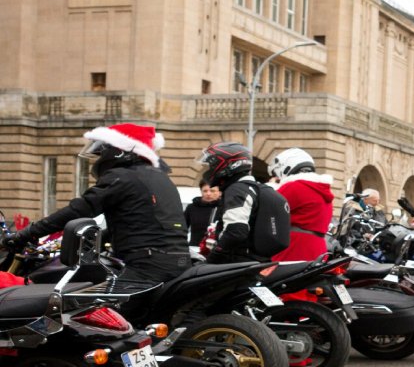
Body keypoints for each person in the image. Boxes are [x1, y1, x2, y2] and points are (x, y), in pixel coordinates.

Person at [2, 123, 189, 314]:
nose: (97, 160)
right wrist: (94, 242)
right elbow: (137, 224)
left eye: (100, 153)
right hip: (175, 260)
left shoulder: (121, 177)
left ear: (117, 151)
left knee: (101, 320)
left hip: (146, 265)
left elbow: (78, 210)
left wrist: (26, 233)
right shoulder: (158, 176)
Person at [197, 142, 262, 263]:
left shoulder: (236, 189)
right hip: (251, 260)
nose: (209, 170)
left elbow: (236, 231)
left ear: (229, 165)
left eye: (213, 165)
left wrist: (212, 258)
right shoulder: (253, 188)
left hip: (236, 263)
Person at [269, 148, 333, 262]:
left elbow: (269, 207)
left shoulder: (295, 186)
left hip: (295, 248)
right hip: (318, 248)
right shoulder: (321, 189)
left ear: (286, 167)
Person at [184, 175, 222, 249]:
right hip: (195, 248)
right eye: (205, 191)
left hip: (216, 251)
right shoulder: (192, 207)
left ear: (219, 192)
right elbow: (182, 228)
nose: (208, 193)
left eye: (212, 190)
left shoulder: (224, 208)